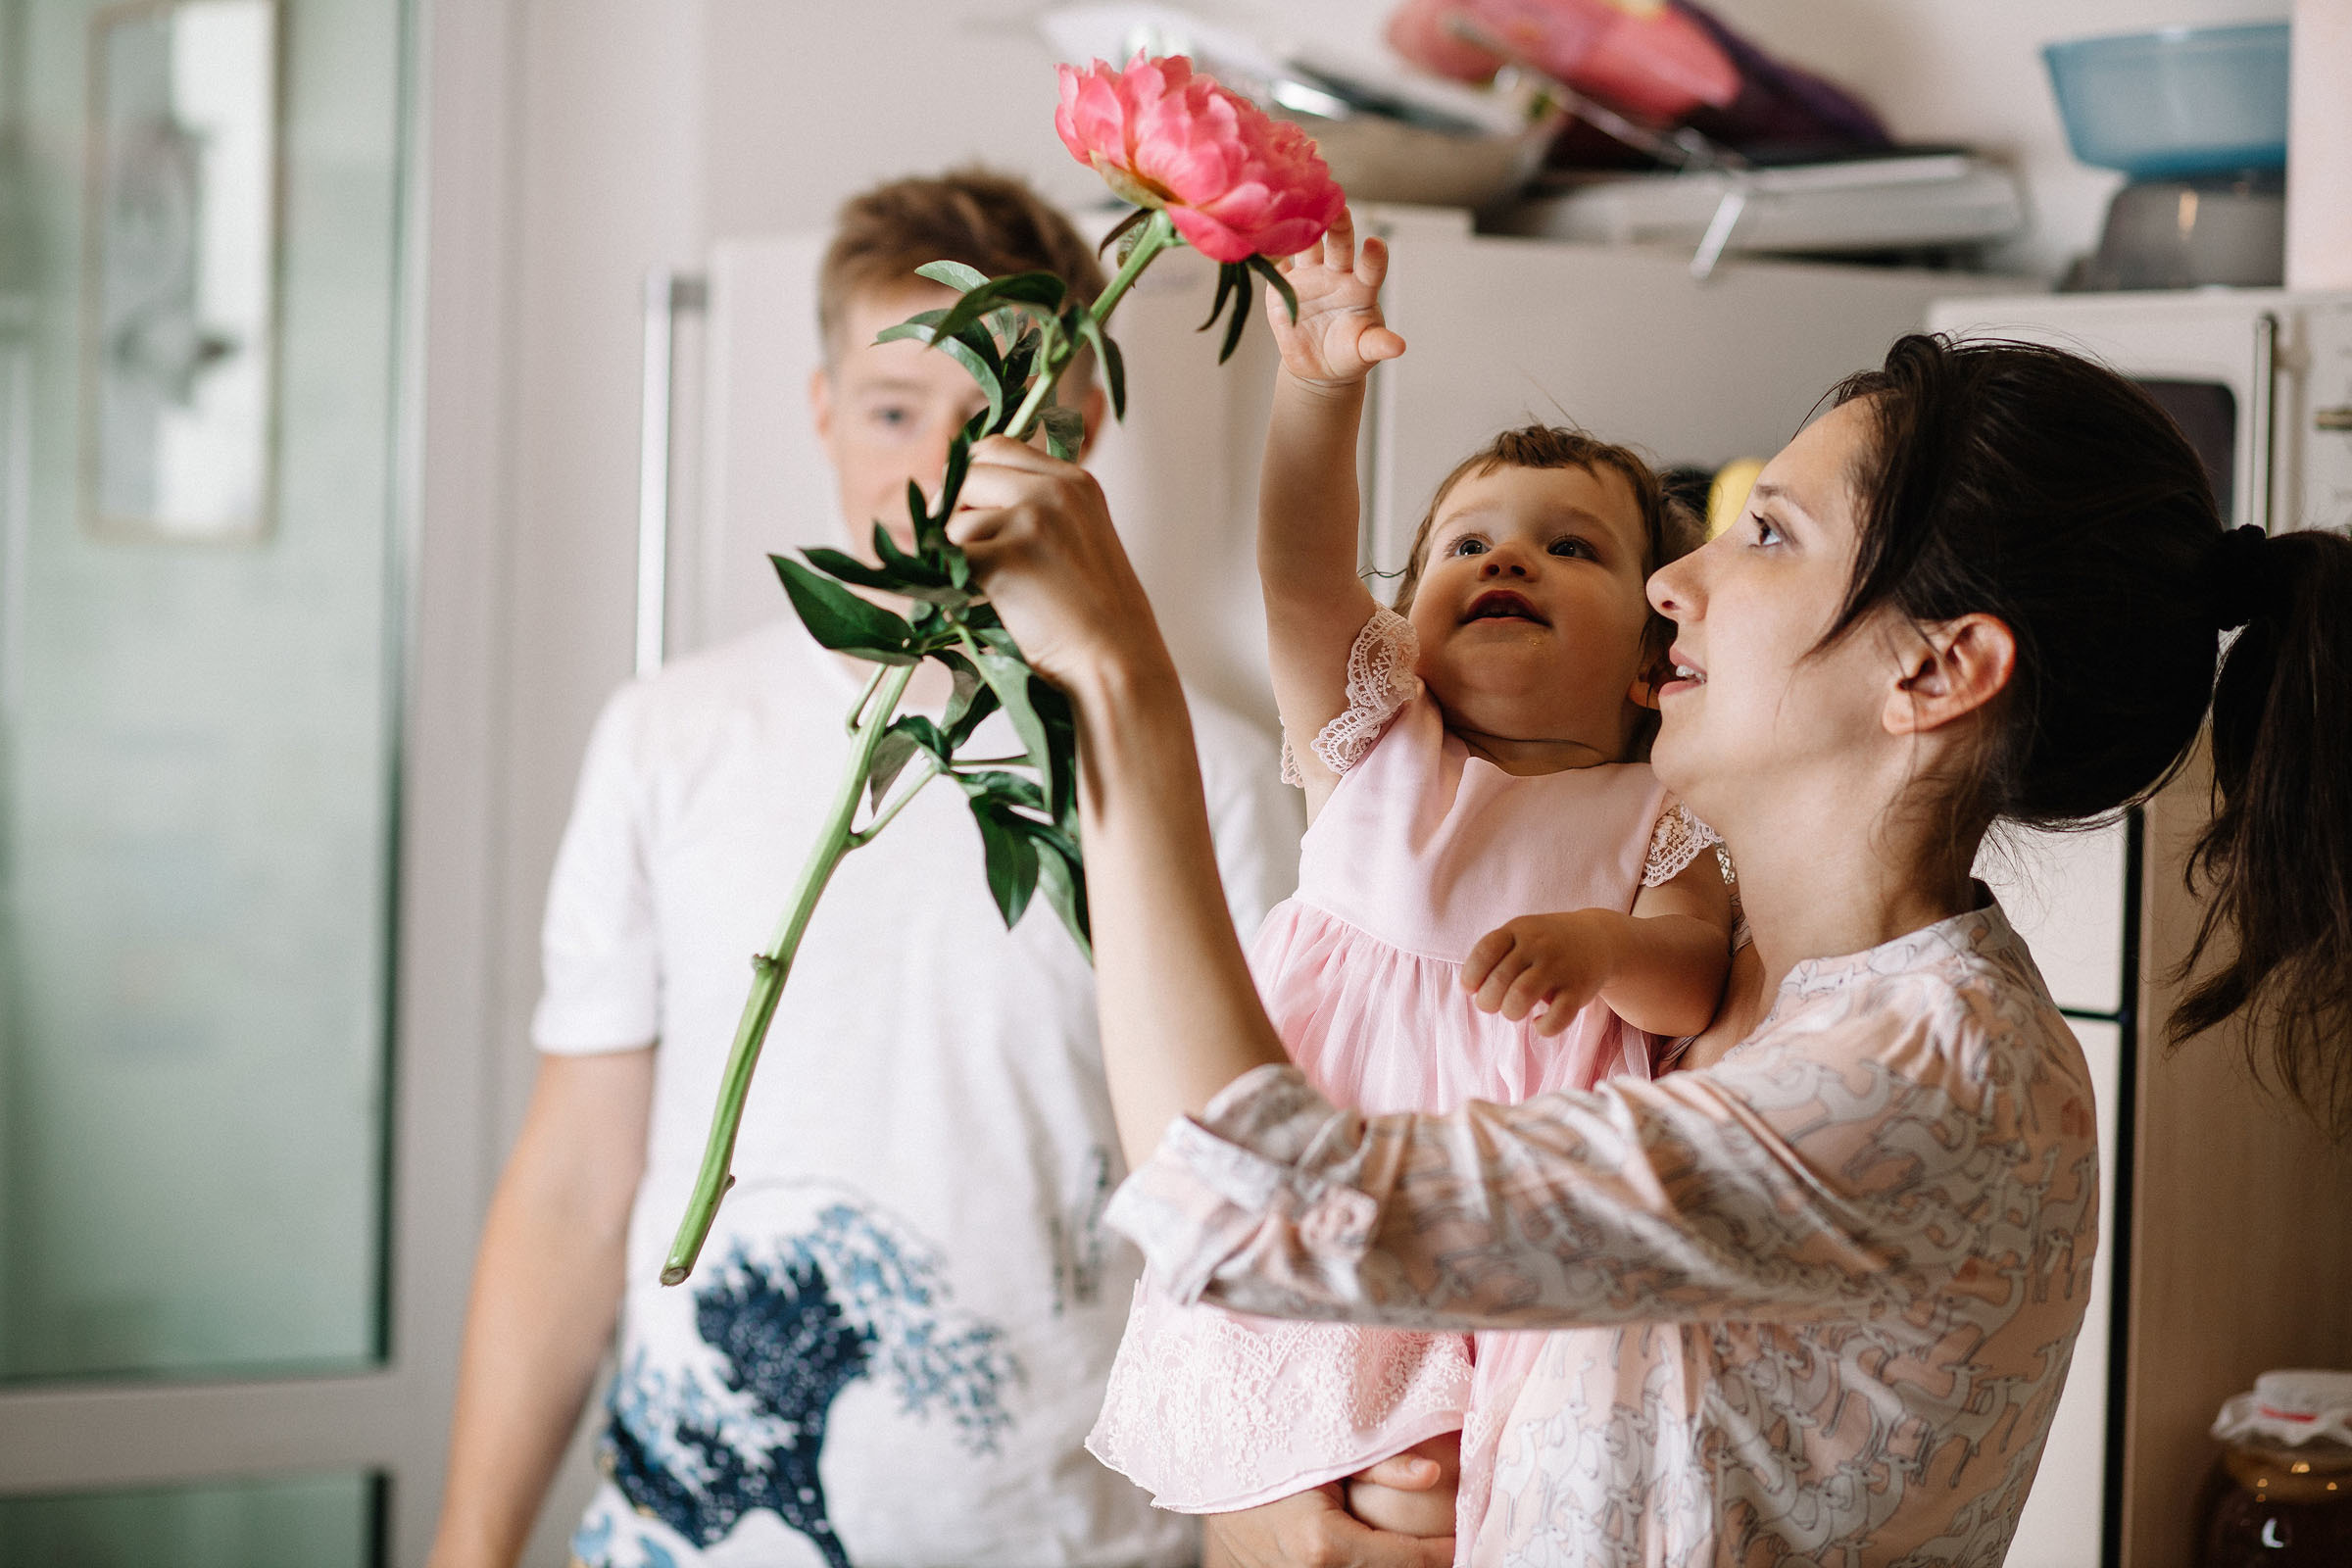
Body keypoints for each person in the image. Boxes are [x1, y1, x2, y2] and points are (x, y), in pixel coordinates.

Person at [942, 331, 2352, 1564]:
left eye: (1770, 536)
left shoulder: (1914, 1088)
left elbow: (1262, 1218)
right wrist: (1275, 1507)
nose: (1680, 579)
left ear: (1935, 670)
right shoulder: (1734, 1000)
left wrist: (1119, 692)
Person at [424, 170, 1302, 1568]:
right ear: (823, 408)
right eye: (896, 410)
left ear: (1079, 429)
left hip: (1069, 1540)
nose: (944, 466)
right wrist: (467, 1548)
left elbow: (1255, 1212)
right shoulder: (670, 739)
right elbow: (576, 1187)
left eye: (995, 418)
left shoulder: (1210, 773)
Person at [1087, 212, 1731, 1551]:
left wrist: (1601, 949)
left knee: (1439, 1499)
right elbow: (1300, 564)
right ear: (1408, 628)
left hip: (1507, 1227)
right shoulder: (1377, 746)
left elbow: (1692, 982)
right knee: (1335, 1484)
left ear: (1645, 664)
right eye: (1467, 543)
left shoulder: (1661, 806)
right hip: (1327, 1195)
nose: (1510, 557)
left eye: (1573, 547)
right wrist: (1323, 388)